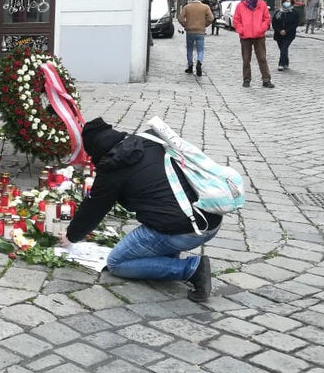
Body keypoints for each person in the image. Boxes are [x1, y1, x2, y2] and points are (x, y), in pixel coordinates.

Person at [59, 118, 221, 303]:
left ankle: (192, 268)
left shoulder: (112, 166)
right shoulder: (149, 140)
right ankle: (165, 256)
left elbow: (93, 209)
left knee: (116, 263)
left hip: (184, 229)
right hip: (210, 217)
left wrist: (71, 236)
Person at [231, 0, 274, 88]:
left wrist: (262, 28)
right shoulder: (240, 6)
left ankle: (266, 80)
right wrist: (242, 30)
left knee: (262, 58)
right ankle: (246, 79)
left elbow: (267, 19)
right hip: (245, 37)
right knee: (246, 59)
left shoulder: (262, 4)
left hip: (259, 36)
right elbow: (236, 21)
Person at [177, 0, 214, 77]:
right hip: (200, 31)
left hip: (190, 31)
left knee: (189, 49)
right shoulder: (205, 7)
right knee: (200, 50)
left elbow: (180, 18)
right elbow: (211, 18)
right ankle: (199, 63)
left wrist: (185, 24)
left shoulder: (187, 7)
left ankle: (190, 66)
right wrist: (205, 24)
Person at [271, 0, 299, 71]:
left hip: (289, 35)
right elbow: (274, 23)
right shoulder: (278, 12)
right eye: (285, 1)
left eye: (289, 2)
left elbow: (295, 24)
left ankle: (281, 64)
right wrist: (279, 30)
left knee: (284, 48)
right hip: (278, 34)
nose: (287, 3)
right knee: (282, 49)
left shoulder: (294, 13)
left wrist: (286, 31)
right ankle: (286, 62)